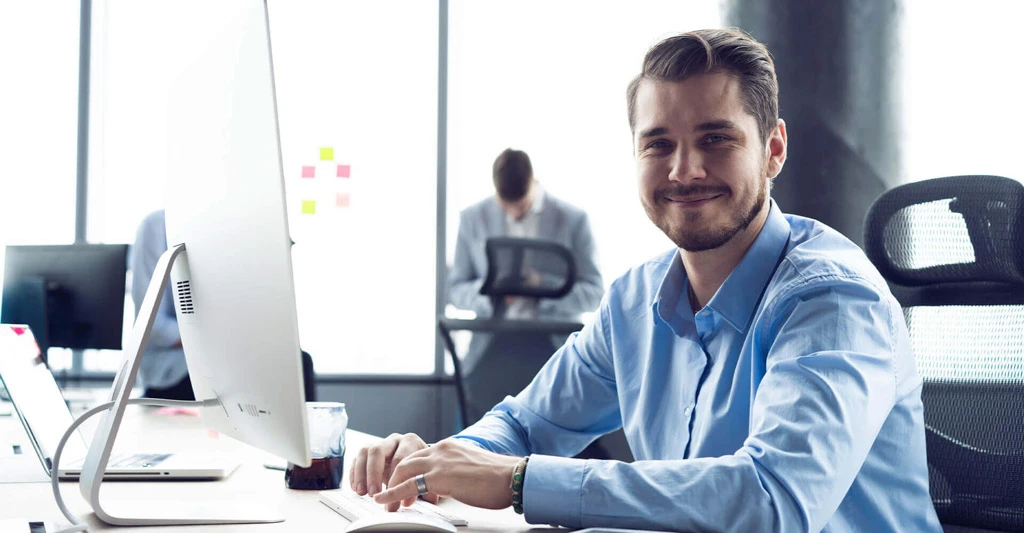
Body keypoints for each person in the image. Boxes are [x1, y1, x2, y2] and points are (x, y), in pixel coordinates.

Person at [352, 29, 941, 531]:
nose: (684, 170)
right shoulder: (635, 301)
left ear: (773, 149)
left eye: (716, 138)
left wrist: (516, 481)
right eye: (658, 144)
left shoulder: (831, 298)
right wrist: (438, 461)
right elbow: (528, 423)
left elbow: (773, 500)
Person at [130, 210, 316, 401]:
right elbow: (155, 328)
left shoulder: (233, 225)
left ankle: (302, 430)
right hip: (174, 368)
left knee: (297, 361)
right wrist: (221, 339)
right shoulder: (157, 226)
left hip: (229, 356)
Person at [448, 148, 603, 321]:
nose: (514, 214)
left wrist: (544, 286)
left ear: (533, 183)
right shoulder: (472, 218)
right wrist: (491, 292)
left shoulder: (574, 220)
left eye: (521, 206)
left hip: (555, 338)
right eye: (505, 207)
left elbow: (595, 294)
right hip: (491, 337)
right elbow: (455, 290)